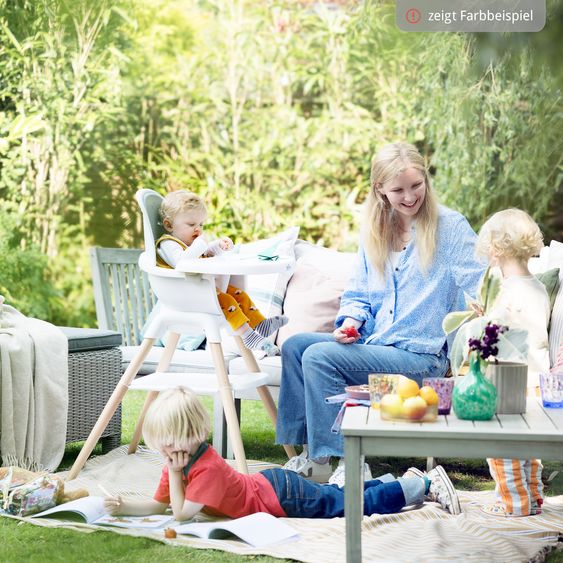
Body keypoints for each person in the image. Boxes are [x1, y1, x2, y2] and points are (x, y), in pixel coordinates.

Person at [276, 142, 485, 486]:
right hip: (377, 348)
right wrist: (350, 322)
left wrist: (469, 341)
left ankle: (348, 459)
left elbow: (482, 284)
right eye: (398, 190)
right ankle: (312, 453)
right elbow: (357, 294)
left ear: (425, 179)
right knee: (296, 345)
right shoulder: (376, 229)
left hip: (420, 363)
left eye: (416, 185)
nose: (409, 196)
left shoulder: (449, 227)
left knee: (319, 357)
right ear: (380, 190)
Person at [102, 387, 462, 520]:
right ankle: (400, 482)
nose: (164, 452)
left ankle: (422, 485)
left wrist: (175, 475)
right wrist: (123, 505)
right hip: (270, 485)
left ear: (194, 435)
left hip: (280, 495)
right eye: (160, 444)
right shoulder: (179, 459)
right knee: (337, 495)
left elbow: (178, 513)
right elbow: (158, 503)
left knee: (345, 507)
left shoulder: (204, 467)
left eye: (170, 442)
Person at [476, 208, 549, 517]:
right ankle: (532, 497)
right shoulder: (536, 286)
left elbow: (506, 341)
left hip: (512, 382)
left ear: (496, 249)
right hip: (535, 380)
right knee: (527, 447)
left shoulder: (511, 294)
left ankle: (513, 504)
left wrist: (481, 329)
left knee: (502, 446)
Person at [156, 190, 287, 356]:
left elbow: (204, 254)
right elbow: (182, 263)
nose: (198, 229)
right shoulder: (168, 244)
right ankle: (248, 335)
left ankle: (260, 324)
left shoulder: (190, 244)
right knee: (227, 300)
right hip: (187, 295)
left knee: (239, 294)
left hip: (201, 290)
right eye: (191, 225)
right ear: (169, 225)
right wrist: (199, 245)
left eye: (201, 225)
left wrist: (217, 246)